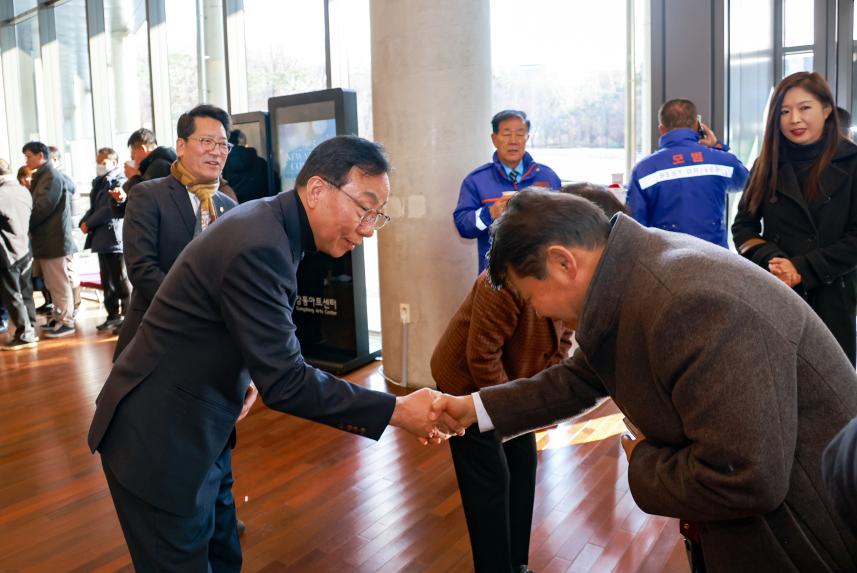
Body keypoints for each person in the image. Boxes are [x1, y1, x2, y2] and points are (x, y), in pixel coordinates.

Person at [431, 189, 857, 572]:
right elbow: (578, 379)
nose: (538, 311)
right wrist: (472, 408)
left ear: (563, 262)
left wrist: (642, 460)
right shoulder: (634, 273)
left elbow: (746, 479)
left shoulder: (690, 302)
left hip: (805, 540)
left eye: (530, 296)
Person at [88, 135, 445, 572]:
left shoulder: (272, 224)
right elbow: (288, 382)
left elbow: (236, 324)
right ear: (317, 190)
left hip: (203, 427)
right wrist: (397, 410)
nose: (369, 229)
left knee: (223, 556)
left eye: (377, 215)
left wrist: (252, 372)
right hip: (158, 440)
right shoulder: (260, 241)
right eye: (364, 209)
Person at [432, 189, 575, 572]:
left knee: (522, 468)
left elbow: (563, 339)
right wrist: (518, 407)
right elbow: (482, 359)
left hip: (514, 384)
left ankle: (517, 565)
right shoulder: (499, 282)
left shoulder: (563, 277)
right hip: (466, 386)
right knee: (490, 482)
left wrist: (540, 398)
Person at [732, 71, 857, 365]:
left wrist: (802, 268)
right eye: (784, 112)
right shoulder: (767, 163)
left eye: (804, 108)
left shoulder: (852, 162)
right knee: (777, 375)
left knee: (830, 380)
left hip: (833, 293)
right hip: (778, 289)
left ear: (826, 110)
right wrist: (774, 260)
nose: (794, 120)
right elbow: (743, 227)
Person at [113, 107, 237, 360]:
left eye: (223, 144)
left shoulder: (229, 206)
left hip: (214, 345)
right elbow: (142, 269)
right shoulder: (148, 195)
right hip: (158, 339)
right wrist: (198, 309)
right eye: (207, 141)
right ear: (181, 146)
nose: (216, 151)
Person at [626, 98, 749, 247]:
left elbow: (635, 226)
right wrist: (718, 146)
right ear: (697, 125)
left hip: (665, 257)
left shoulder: (644, 169)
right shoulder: (721, 160)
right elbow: (746, 181)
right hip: (716, 257)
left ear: (661, 130)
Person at [454, 110, 561, 273]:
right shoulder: (476, 180)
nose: (513, 141)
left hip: (541, 272)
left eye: (519, 134)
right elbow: (463, 227)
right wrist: (489, 213)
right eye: (506, 134)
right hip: (495, 273)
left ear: (527, 138)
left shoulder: (547, 176)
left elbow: (564, 224)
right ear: (494, 139)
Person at [24, 141, 78, 338]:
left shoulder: (51, 176)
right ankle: (58, 317)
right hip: (47, 240)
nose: (26, 160)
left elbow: (42, 208)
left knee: (59, 283)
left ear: (41, 155)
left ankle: (66, 322)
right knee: (53, 284)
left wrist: (24, 220)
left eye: (29, 156)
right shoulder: (42, 175)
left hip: (54, 240)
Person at [79, 148, 130, 331]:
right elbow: (94, 207)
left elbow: (109, 209)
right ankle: (112, 315)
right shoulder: (100, 182)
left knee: (121, 279)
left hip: (115, 237)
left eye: (104, 161)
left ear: (114, 163)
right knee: (107, 280)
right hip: (101, 238)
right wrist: (84, 221)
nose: (100, 165)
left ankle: (128, 317)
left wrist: (89, 223)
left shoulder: (119, 181)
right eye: (98, 161)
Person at [0, 158, 37, 350]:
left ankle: (24, 334)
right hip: (24, 248)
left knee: (13, 294)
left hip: (7, 251)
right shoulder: (24, 191)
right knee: (26, 292)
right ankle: (31, 328)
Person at [109, 128, 177, 218]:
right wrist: (120, 200)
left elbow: (144, 201)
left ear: (142, 149)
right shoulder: (147, 169)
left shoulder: (160, 166)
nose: (132, 160)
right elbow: (124, 210)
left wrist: (133, 176)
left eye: (133, 156)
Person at [222, 128, 274, 203]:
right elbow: (274, 184)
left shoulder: (222, 166)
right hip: (260, 207)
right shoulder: (262, 163)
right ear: (244, 143)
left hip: (234, 208)